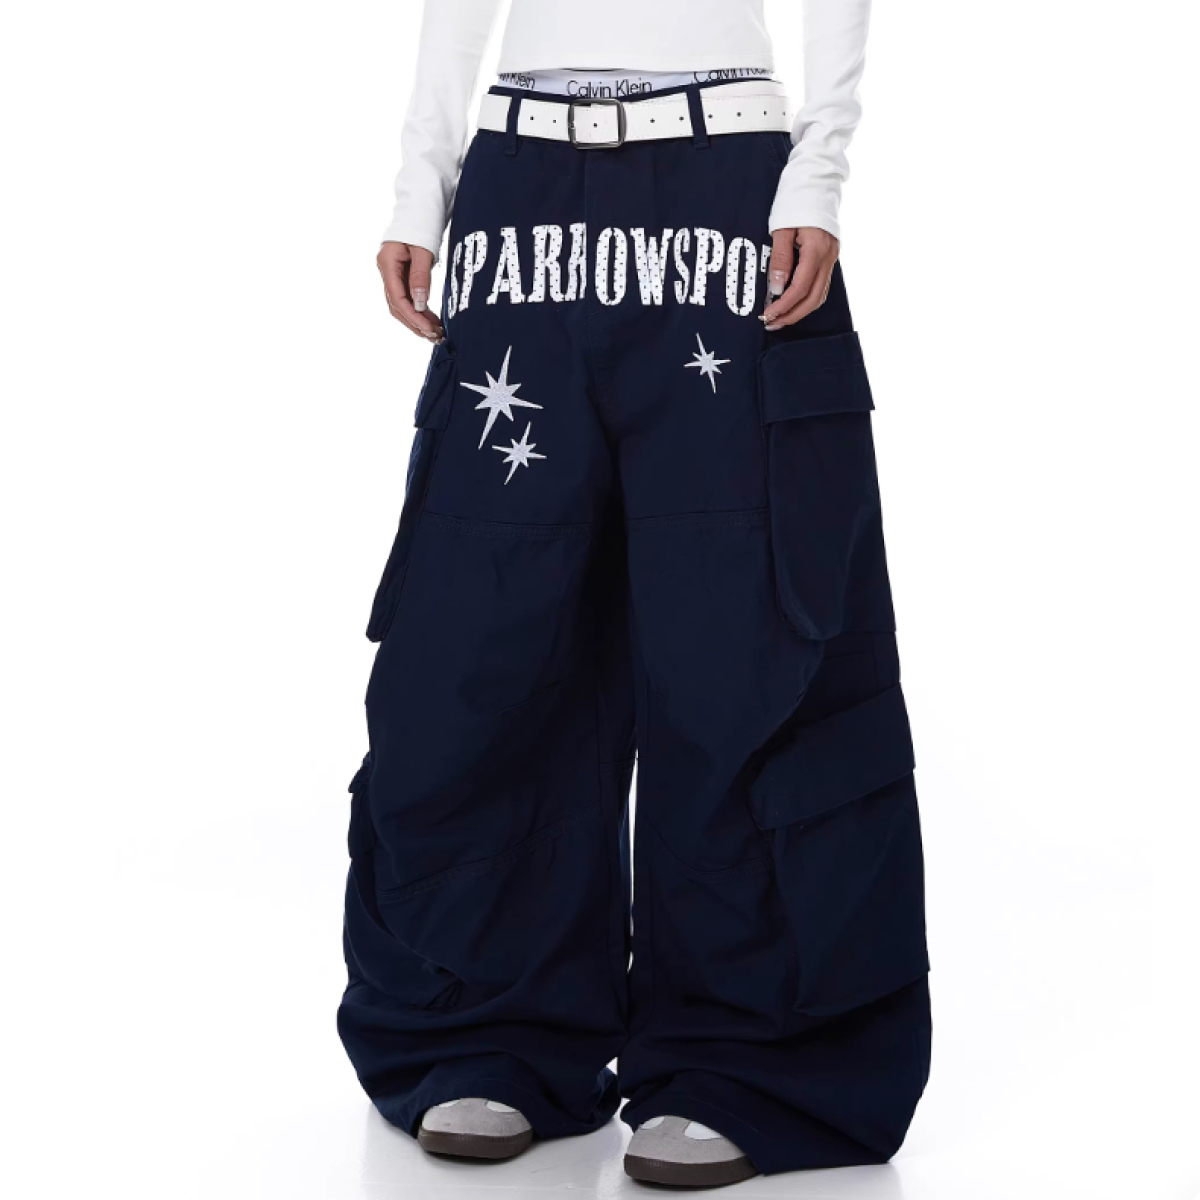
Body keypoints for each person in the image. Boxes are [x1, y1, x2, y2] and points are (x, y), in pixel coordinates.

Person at [339, 0, 931, 1187]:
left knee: (750, 624)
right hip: (520, 184)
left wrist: (818, 169)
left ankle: (751, 1058)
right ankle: (488, 1027)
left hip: (727, 178)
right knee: (486, 628)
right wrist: (422, 180)